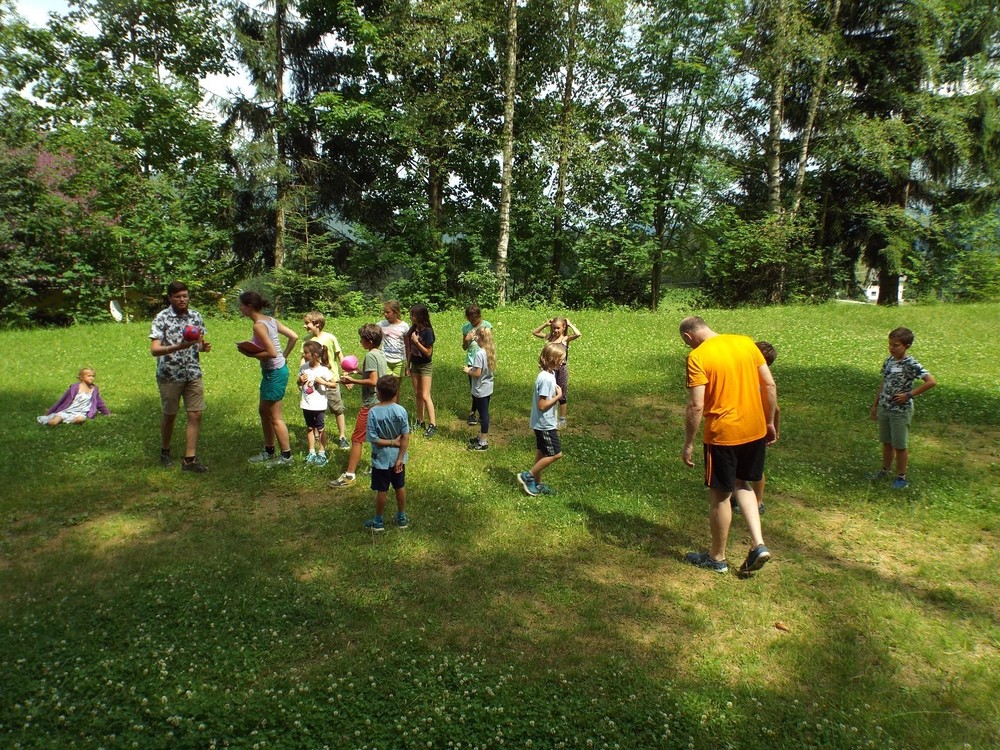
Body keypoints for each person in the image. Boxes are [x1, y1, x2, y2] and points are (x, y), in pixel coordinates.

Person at [679, 316, 777, 577]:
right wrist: (769, 422)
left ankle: (717, 558)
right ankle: (758, 544)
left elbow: (696, 405)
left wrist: (688, 443)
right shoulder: (746, 343)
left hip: (723, 434)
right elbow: (769, 384)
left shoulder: (698, 356)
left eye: (686, 343)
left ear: (688, 337)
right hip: (754, 428)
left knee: (720, 496)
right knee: (742, 484)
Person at [150, 281, 212, 472]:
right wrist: (178, 346)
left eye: (185, 296)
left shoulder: (196, 316)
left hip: (192, 372)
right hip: (169, 374)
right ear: (170, 298)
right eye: (177, 297)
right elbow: (154, 350)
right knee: (170, 414)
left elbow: (198, 343)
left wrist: (203, 347)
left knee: (196, 414)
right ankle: (165, 450)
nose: (182, 299)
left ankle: (189, 460)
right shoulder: (162, 318)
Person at [869, 327, 936, 490]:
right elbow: (884, 382)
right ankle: (884, 470)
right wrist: (876, 404)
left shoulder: (911, 364)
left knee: (899, 445)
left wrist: (909, 395)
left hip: (900, 411)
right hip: (885, 407)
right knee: (886, 442)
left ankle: (901, 476)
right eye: (890, 344)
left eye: (896, 345)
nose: (891, 348)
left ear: (907, 346)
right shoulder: (889, 361)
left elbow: (931, 381)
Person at [238, 291, 299, 468]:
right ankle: (269, 450)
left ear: (249, 307)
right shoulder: (271, 320)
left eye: (241, 305)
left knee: (275, 417)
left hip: (275, 373)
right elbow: (293, 336)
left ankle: (286, 456)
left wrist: (250, 354)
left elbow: (271, 353)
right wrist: (284, 356)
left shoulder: (259, 325)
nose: (240, 308)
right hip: (274, 371)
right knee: (263, 411)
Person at [329, 323, 390, 487]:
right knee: (377, 437)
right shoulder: (379, 354)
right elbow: (375, 375)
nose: (360, 341)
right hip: (381, 401)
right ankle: (379, 469)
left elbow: (373, 381)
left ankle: (349, 475)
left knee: (357, 438)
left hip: (371, 403)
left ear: (369, 341)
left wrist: (352, 380)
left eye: (361, 339)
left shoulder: (370, 356)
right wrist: (358, 371)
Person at [732, 341, 781, 515]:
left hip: (753, 428)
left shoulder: (758, 381)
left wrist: (773, 429)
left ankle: (756, 501)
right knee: (747, 465)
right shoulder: (757, 378)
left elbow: (776, 409)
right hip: (747, 427)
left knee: (753, 469)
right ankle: (740, 496)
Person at [517, 342, 566, 497]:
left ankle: (537, 484)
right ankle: (528, 476)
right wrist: (558, 397)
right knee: (555, 454)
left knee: (542, 452)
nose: (563, 362)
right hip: (544, 424)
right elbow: (542, 405)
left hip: (542, 422)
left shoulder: (549, 374)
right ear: (552, 358)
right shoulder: (546, 379)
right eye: (561, 359)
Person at [363, 374, 410, 531]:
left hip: (381, 460)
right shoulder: (401, 410)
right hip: (398, 459)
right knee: (400, 486)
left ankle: (378, 521)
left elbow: (373, 439)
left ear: (378, 393)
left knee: (382, 490)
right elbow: (405, 436)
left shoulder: (373, 412)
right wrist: (400, 458)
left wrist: (390, 442)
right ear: (395, 393)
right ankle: (402, 518)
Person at [301, 311, 349, 450]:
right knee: (314, 409)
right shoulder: (306, 340)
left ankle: (342, 437)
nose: (304, 326)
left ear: (317, 324)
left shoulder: (330, 338)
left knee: (337, 409)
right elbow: (303, 359)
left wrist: (345, 372)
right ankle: (317, 435)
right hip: (312, 383)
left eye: (307, 323)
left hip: (331, 379)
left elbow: (340, 355)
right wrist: (301, 376)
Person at [532, 317, 581, 429]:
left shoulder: (565, 339)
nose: (556, 330)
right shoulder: (550, 337)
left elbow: (578, 334)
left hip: (561, 369)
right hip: (550, 368)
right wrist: (545, 324)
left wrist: (570, 324)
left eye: (558, 328)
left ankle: (562, 419)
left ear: (563, 328)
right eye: (554, 328)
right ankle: (551, 414)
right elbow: (535, 332)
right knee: (550, 392)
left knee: (561, 394)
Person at [299, 340, 337, 466]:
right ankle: (311, 452)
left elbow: (334, 384)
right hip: (306, 404)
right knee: (310, 427)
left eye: (306, 353)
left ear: (315, 355)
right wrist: (300, 380)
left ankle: (321, 452)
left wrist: (324, 382)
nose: (304, 355)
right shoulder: (303, 367)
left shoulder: (323, 370)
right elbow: (299, 384)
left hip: (319, 405)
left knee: (320, 429)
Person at [37, 367, 110, 425]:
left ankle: (68, 421)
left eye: (93, 376)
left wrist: (107, 413)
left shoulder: (94, 389)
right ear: (81, 377)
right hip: (67, 411)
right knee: (54, 422)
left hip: (80, 413)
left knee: (80, 420)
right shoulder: (75, 387)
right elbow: (62, 400)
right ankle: (54, 420)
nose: (91, 378)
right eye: (89, 376)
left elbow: (99, 403)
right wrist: (50, 411)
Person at [406, 303, 437, 437]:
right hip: (415, 365)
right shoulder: (413, 329)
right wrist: (408, 366)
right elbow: (410, 350)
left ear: (420, 316)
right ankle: (420, 421)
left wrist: (417, 342)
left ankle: (433, 424)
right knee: (417, 394)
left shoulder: (428, 332)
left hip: (425, 366)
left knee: (425, 395)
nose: (411, 317)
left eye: (413, 315)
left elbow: (428, 353)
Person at [463, 327, 496, 451]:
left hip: (480, 389)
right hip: (488, 387)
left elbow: (477, 373)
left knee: (484, 415)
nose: (475, 338)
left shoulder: (479, 354)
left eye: (476, 336)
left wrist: (468, 370)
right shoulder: (490, 351)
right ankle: (482, 437)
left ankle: (483, 442)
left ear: (481, 338)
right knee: (484, 413)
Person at [461, 304, 493, 425]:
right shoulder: (466, 328)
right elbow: (464, 347)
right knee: (474, 388)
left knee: (485, 386)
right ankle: (473, 412)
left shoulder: (487, 325)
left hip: (486, 360)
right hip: (472, 361)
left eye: (475, 320)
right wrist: (467, 339)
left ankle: (483, 413)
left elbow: (490, 343)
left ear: (479, 316)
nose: (473, 322)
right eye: (470, 320)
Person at [378, 300, 409, 387]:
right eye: (384, 312)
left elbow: (407, 346)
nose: (385, 314)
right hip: (385, 360)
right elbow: (371, 331)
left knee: (395, 387)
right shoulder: (381, 325)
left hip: (399, 361)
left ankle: (396, 397)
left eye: (388, 312)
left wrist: (408, 363)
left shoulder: (404, 326)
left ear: (395, 312)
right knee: (386, 386)